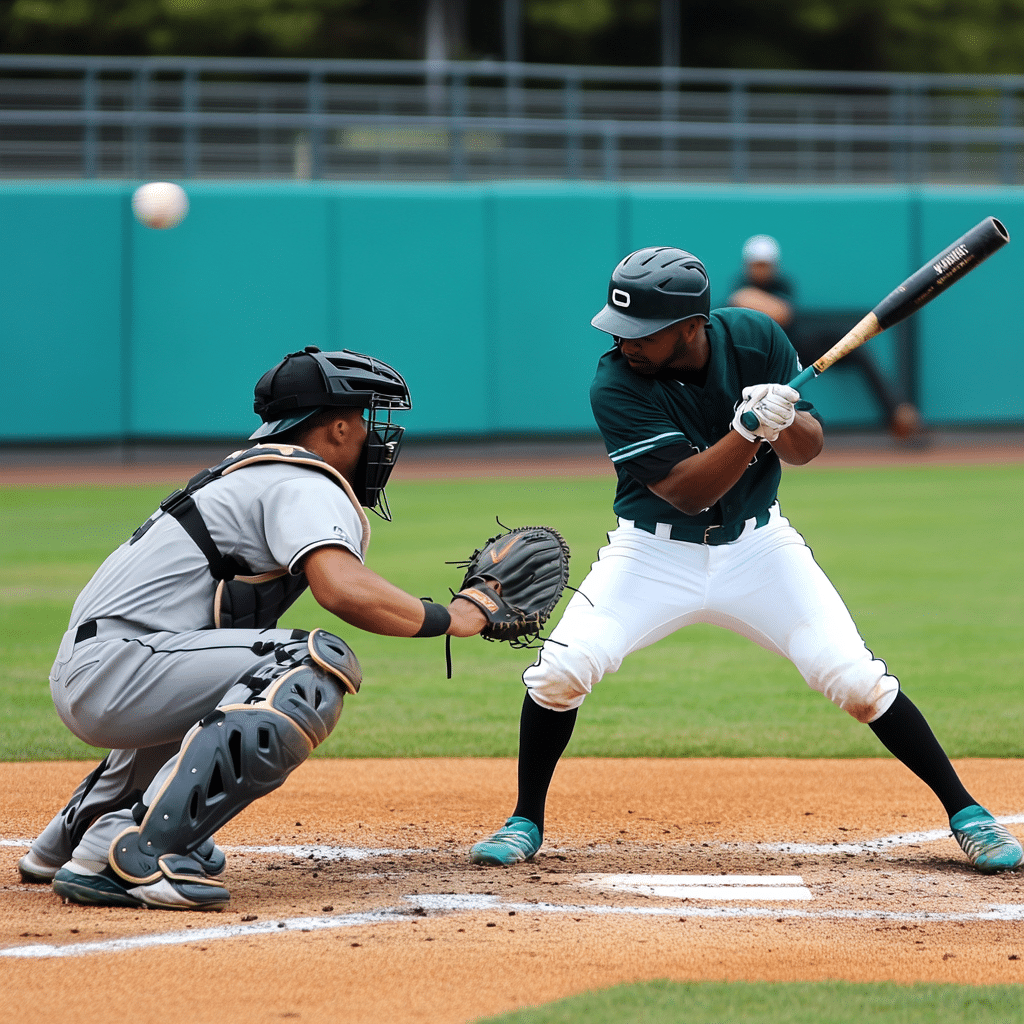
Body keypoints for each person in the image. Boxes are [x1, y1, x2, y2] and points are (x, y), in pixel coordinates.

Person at [468, 247, 1022, 875]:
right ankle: (524, 820)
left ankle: (968, 814)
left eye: (642, 334)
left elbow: (808, 449)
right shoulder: (615, 383)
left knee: (855, 678)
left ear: (690, 325)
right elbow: (688, 491)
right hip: (652, 553)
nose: (627, 345)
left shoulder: (757, 337)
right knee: (562, 670)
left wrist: (783, 423)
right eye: (619, 331)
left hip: (760, 550)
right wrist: (748, 430)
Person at [19, 346, 489, 910]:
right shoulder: (300, 480)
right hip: (124, 667)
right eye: (366, 419)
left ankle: (82, 838)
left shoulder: (252, 473)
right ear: (338, 426)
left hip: (108, 668)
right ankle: (143, 852)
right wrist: (454, 617)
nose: (374, 435)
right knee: (309, 667)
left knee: (237, 678)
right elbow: (339, 587)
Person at [728, 234, 921, 439]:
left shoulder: (781, 283)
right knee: (784, 391)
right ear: (748, 265)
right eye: (757, 264)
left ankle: (897, 411)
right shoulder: (740, 283)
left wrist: (749, 299)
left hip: (798, 346)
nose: (761, 269)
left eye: (765, 264)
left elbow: (782, 313)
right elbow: (741, 304)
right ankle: (796, 438)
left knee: (850, 341)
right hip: (768, 355)